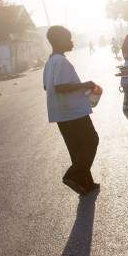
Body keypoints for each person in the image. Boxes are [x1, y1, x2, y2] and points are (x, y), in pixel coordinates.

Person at [43, 26, 100, 196]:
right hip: (73, 112)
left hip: (61, 113)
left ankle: (86, 184)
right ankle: (73, 175)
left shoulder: (50, 61)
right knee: (91, 141)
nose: (71, 42)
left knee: (76, 148)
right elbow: (60, 86)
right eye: (68, 38)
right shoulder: (60, 61)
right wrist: (85, 85)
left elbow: (47, 86)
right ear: (59, 40)